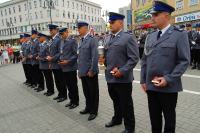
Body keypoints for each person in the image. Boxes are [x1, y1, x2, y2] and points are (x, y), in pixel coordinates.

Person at [140, 1, 190, 133]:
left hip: (168, 87)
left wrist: (168, 79)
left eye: (156, 14)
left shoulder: (179, 35)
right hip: (151, 86)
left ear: (167, 15)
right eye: (152, 14)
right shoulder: (150, 36)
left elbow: (184, 61)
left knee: (169, 121)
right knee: (154, 119)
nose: (152, 17)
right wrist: (142, 80)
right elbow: (144, 59)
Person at [99, 12, 139, 133]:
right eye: (109, 22)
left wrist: (122, 71)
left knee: (126, 104)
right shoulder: (107, 37)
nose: (110, 24)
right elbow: (106, 55)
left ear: (120, 23)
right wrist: (102, 60)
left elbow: (134, 58)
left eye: (112, 22)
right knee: (116, 101)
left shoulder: (128, 37)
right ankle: (117, 119)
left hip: (123, 79)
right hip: (110, 77)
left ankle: (129, 127)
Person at [77, 21, 99, 121]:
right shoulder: (80, 40)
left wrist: (92, 70)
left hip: (90, 72)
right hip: (83, 72)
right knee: (86, 92)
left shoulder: (92, 39)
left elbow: (95, 56)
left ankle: (94, 111)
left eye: (79, 27)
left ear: (85, 28)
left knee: (93, 92)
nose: (78, 29)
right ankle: (88, 107)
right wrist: (79, 71)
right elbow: (80, 57)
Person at [58, 27, 79, 109]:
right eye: (60, 34)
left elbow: (76, 54)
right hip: (64, 67)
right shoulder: (61, 41)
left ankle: (75, 102)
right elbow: (61, 53)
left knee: (73, 85)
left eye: (62, 34)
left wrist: (68, 61)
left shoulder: (72, 41)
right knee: (68, 86)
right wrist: (60, 60)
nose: (61, 36)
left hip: (71, 67)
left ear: (67, 32)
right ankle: (71, 101)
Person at [47, 24, 67, 102]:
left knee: (61, 81)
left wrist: (52, 58)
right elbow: (51, 51)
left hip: (58, 64)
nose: (50, 31)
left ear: (56, 30)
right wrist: (50, 60)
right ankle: (60, 94)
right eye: (50, 30)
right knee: (57, 81)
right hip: (53, 64)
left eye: (51, 30)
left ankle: (64, 95)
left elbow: (60, 52)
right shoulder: (53, 39)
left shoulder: (59, 39)